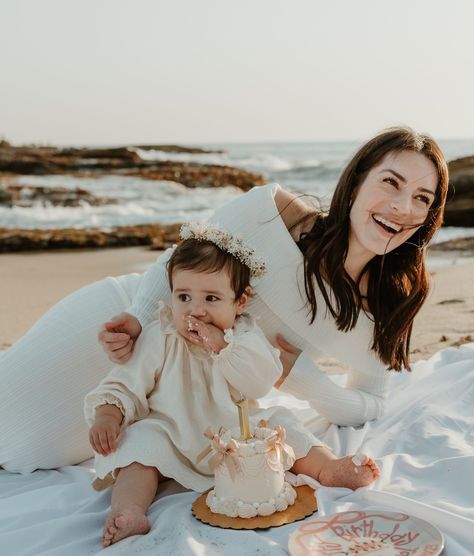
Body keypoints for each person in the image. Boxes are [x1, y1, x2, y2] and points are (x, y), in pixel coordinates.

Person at [0, 127, 448, 473]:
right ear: (355, 183)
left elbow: (372, 404)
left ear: (428, 218)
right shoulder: (277, 213)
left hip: (181, 405)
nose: (401, 206)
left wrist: (302, 379)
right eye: (390, 183)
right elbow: (176, 260)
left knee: (25, 454)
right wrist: (138, 318)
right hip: (129, 338)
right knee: (11, 431)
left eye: (421, 198)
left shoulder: (387, 306)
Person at [85, 226, 379, 546]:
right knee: (137, 445)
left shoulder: (245, 338)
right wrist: (108, 415)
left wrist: (223, 347)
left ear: (240, 301)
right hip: (170, 432)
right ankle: (129, 511)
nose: (196, 310)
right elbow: (125, 382)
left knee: (282, 422)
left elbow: (260, 383)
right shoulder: (161, 336)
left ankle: (328, 468)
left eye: (211, 298)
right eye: (184, 297)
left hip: (236, 431)